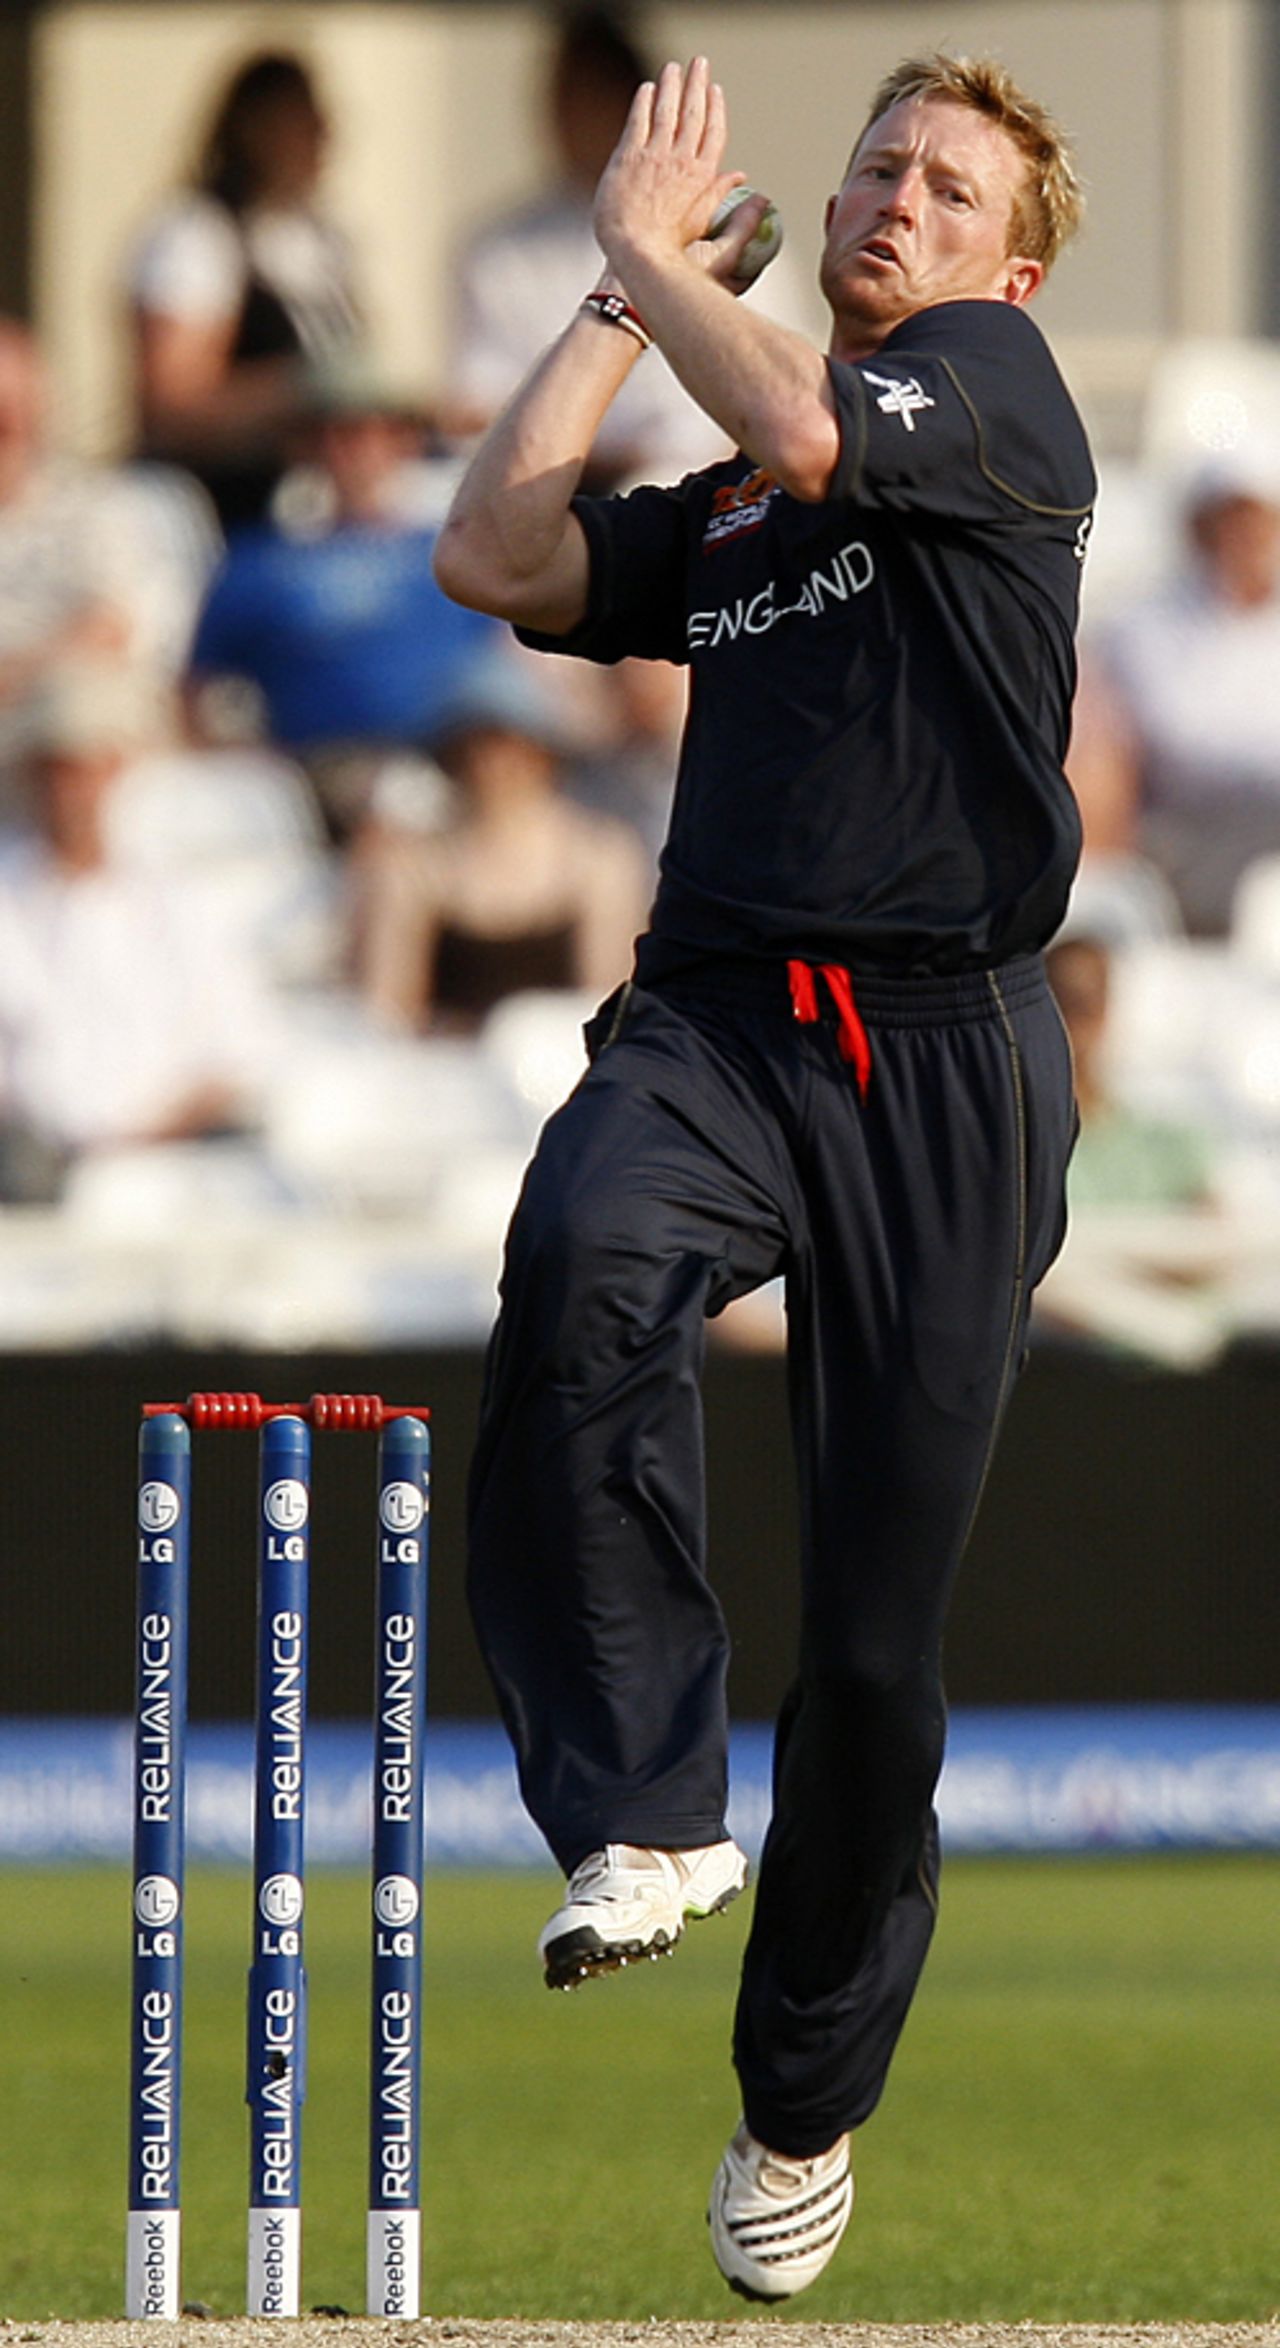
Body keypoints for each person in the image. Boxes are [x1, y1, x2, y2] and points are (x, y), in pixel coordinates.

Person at [433, 48, 1092, 2299]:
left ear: (1006, 257)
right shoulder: (734, 498)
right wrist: (614, 315)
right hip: (720, 1016)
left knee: (882, 1664)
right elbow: (489, 548)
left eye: (942, 181)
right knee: (582, 1254)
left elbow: (825, 422)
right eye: (874, 164)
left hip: (946, 1058)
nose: (891, 195)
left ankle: (800, 2095)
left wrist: (642, 255)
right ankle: (635, 1803)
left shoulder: (998, 394)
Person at [446, 4, 814, 491]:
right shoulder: (501, 249)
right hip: (553, 491)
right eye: (564, 95)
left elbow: (782, 387)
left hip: (708, 490)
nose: (574, 114)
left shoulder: (730, 227)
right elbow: (472, 408)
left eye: (595, 93)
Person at [187, 351, 498, 844]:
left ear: (404, 441)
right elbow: (197, 692)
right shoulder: (257, 563)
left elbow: (503, 662)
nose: (348, 451)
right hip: (298, 779)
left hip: (444, 770)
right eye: (327, 434)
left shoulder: (450, 554)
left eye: (367, 432)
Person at [126, 50, 363, 533]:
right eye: (301, 119)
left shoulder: (318, 241)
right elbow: (172, 406)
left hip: (318, 518)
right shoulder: (194, 239)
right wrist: (304, 389)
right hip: (218, 518)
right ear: (254, 128)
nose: (321, 136)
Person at [352, 648, 651, 1030]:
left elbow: (608, 999)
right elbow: (389, 1009)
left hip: (564, 1067)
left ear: (544, 753)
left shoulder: (601, 858)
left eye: (510, 746)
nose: (492, 767)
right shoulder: (412, 866)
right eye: (475, 747)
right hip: (446, 1071)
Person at [1070, 447, 1280, 934]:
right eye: (1231, 521)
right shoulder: (1141, 629)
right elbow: (1177, 743)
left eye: (1259, 522)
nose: (1247, 539)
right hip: (1178, 851)